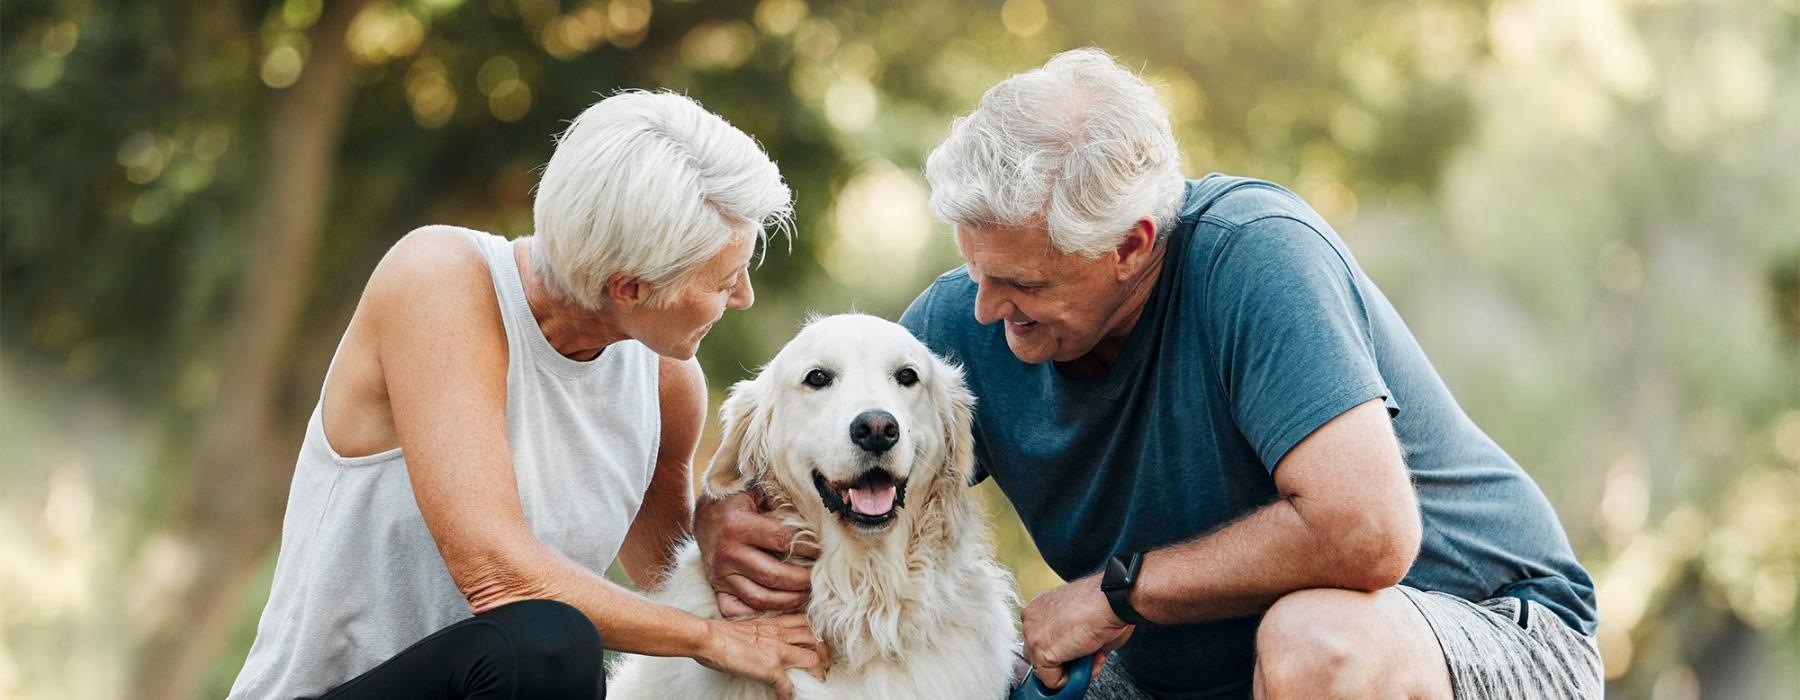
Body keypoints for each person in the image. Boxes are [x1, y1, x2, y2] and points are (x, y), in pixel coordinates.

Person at [697, 49, 1601, 699]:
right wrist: (722, 522)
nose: (987, 311)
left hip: (1477, 629)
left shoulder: (1256, 259)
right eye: (977, 272)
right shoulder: (960, 324)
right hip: (1188, 672)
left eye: (1025, 284)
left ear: (1131, 247)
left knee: (1317, 645)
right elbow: (835, 452)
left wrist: (1116, 594)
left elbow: (1367, 533)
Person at [227, 91, 826, 700]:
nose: (743, 297)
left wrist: (714, 534)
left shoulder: (666, 382)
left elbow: (671, 582)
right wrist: (708, 638)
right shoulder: (439, 280)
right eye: (723, 281)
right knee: (548, 644)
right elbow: (496, 574)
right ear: (629, 288)